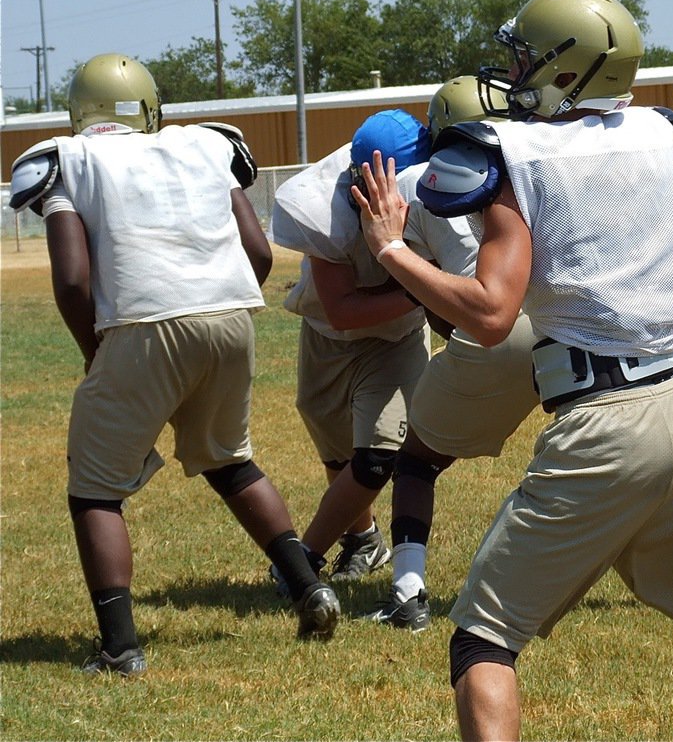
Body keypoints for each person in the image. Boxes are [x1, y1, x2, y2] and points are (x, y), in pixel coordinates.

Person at [354, 0, 673, 741]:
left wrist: (391, 249)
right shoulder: (656, 131)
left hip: (601, 424)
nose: (515, 69)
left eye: (527, 56)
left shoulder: (511, 151)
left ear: (568, 70)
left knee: (482, 640)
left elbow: (492, 315)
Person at [8, 54, 340, 676]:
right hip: (231, 313)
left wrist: (96, 349)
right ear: (149, 107)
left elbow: (73, 279)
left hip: (141, 322)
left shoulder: (67, 158)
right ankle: (308, 585)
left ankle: (119, 647)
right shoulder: (203, 145)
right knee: (230, 458)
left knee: (96, 489)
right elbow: (258, 253)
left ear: (80, 112)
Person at [358, 77, 543, 632]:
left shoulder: (417, 181)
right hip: (572, 324)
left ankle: (408, 595)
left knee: (416, 462)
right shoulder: (543, 163)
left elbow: (445, 310)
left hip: (496, 327)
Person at [268, 109, 434, 586]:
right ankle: (362, 539)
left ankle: (302, 561)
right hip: (328, 334)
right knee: (339, 457)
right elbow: (342, 309)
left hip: (397, 338)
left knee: (376, 457)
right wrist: (425, 286)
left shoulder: (434, 190)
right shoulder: (326, 205)